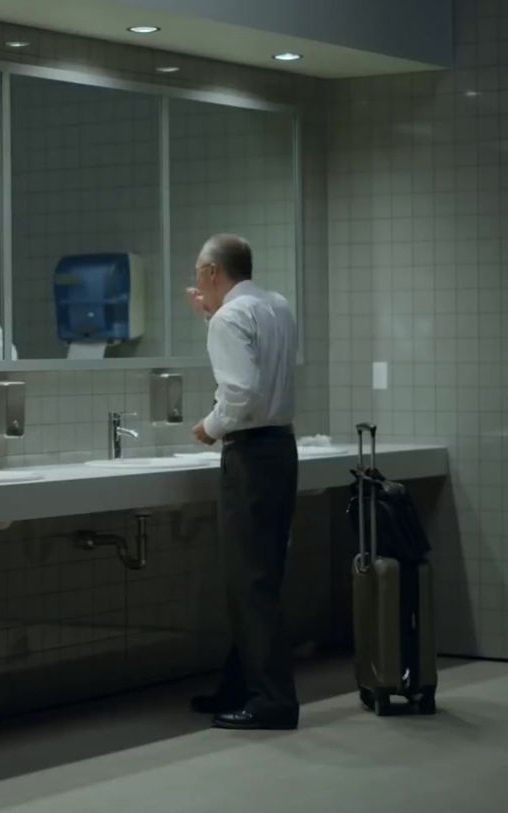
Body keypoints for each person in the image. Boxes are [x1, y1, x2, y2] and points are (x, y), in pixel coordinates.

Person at [185, 233, 300, 730]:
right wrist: (213, 317)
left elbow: (241, 391)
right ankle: (240, 684)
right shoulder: (277, 306)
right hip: (282, 448)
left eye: (198, 276)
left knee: (247, 582)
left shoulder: (230, 318)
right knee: (262, 576)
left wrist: (210, 427)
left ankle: (272, 700)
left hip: (250, 454)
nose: (197, 288)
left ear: (212, 272)